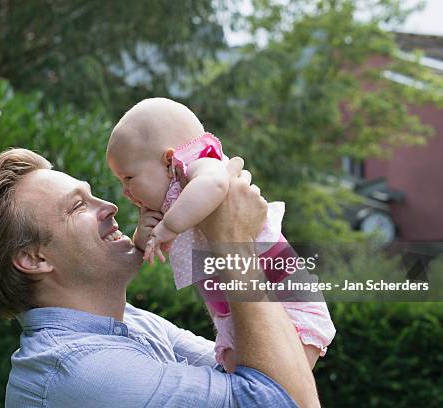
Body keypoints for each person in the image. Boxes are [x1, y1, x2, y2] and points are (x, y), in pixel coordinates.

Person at [0, 147, 321, 407]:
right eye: (77, 206)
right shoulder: (79, 371)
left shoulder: (131, 323)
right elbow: (285, 399)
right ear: (33, 258)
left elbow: (283, 367)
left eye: (92, 195)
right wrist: (233, 241)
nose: (110, 206)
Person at [106, 97, 335, 371]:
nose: (125, 192)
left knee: (278, 381)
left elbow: (215, 184)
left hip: (284, 300)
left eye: (129, 178)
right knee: (241, 379)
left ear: (169, 161)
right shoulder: (167, 204)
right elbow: (151, 247)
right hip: (234, 314)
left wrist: (168, 227)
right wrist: (145, 236)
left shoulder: (198, 164)